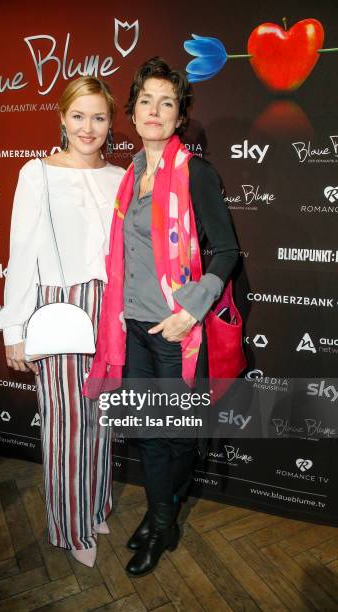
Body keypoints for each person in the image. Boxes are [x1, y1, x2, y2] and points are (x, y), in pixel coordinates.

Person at [84, 57, 240, 577]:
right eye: (145, 101)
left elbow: (226, 253)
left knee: (174, 435)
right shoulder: (129, 175)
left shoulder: (196, 173)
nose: (154, 110)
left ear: (180, 116)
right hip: (133, 330)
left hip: (176, 334)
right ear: (132, 111)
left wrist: (189, 312)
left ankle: (162, 523)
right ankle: (160, 518)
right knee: (151, 433)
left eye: (166, 102)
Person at [0, 76, 125, 568]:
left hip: (110, 312)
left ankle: (94, 506)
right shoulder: (38, 174)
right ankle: (70, 528)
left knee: (101, 420)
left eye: (97, 117)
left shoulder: (121, 177)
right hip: (60, 310)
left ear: (111, 122)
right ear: (62, 118)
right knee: (67, 426)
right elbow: (22, 253)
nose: (87, 127)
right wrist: (15, 328)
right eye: (78, 116)